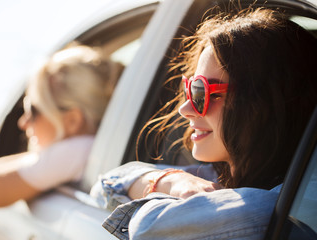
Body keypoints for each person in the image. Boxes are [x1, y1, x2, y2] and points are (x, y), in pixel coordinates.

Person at [90, 8, 317, 239]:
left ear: (267, 102)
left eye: (202, 92)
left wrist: (160, 186)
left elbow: (149, 227)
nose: (185, 109)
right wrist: (172, 180)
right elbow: (106, 184)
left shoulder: (281, 206)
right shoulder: (218, 176)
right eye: (189, 88)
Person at [0, 44, 123, 207]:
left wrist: (45, 155)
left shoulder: (79, 150)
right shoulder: (99, 148)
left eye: (33, 111)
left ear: (72, 120)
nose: (23, 123)